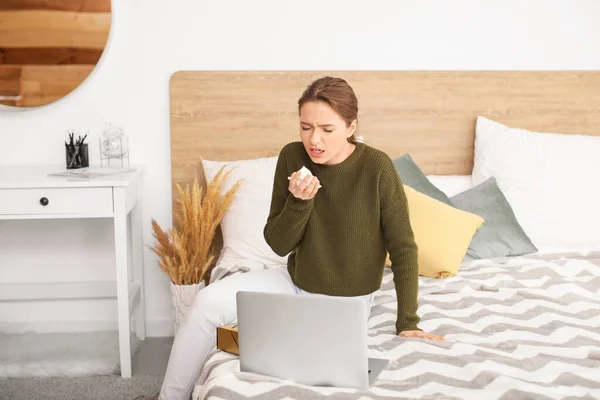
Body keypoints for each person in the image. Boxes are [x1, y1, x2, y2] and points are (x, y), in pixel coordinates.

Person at [136, 76, 444, 400]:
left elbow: (404, 247)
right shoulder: (292, 157)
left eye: (327, 129)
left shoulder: (376, 167)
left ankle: (243, 339)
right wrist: (299, 203)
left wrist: (407, 320)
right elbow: (278, 244)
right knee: (206, 303)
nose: (315, 140)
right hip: (293, 281)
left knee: (295, 355)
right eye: (306, 127)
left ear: (351, 126)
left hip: (345, 299)